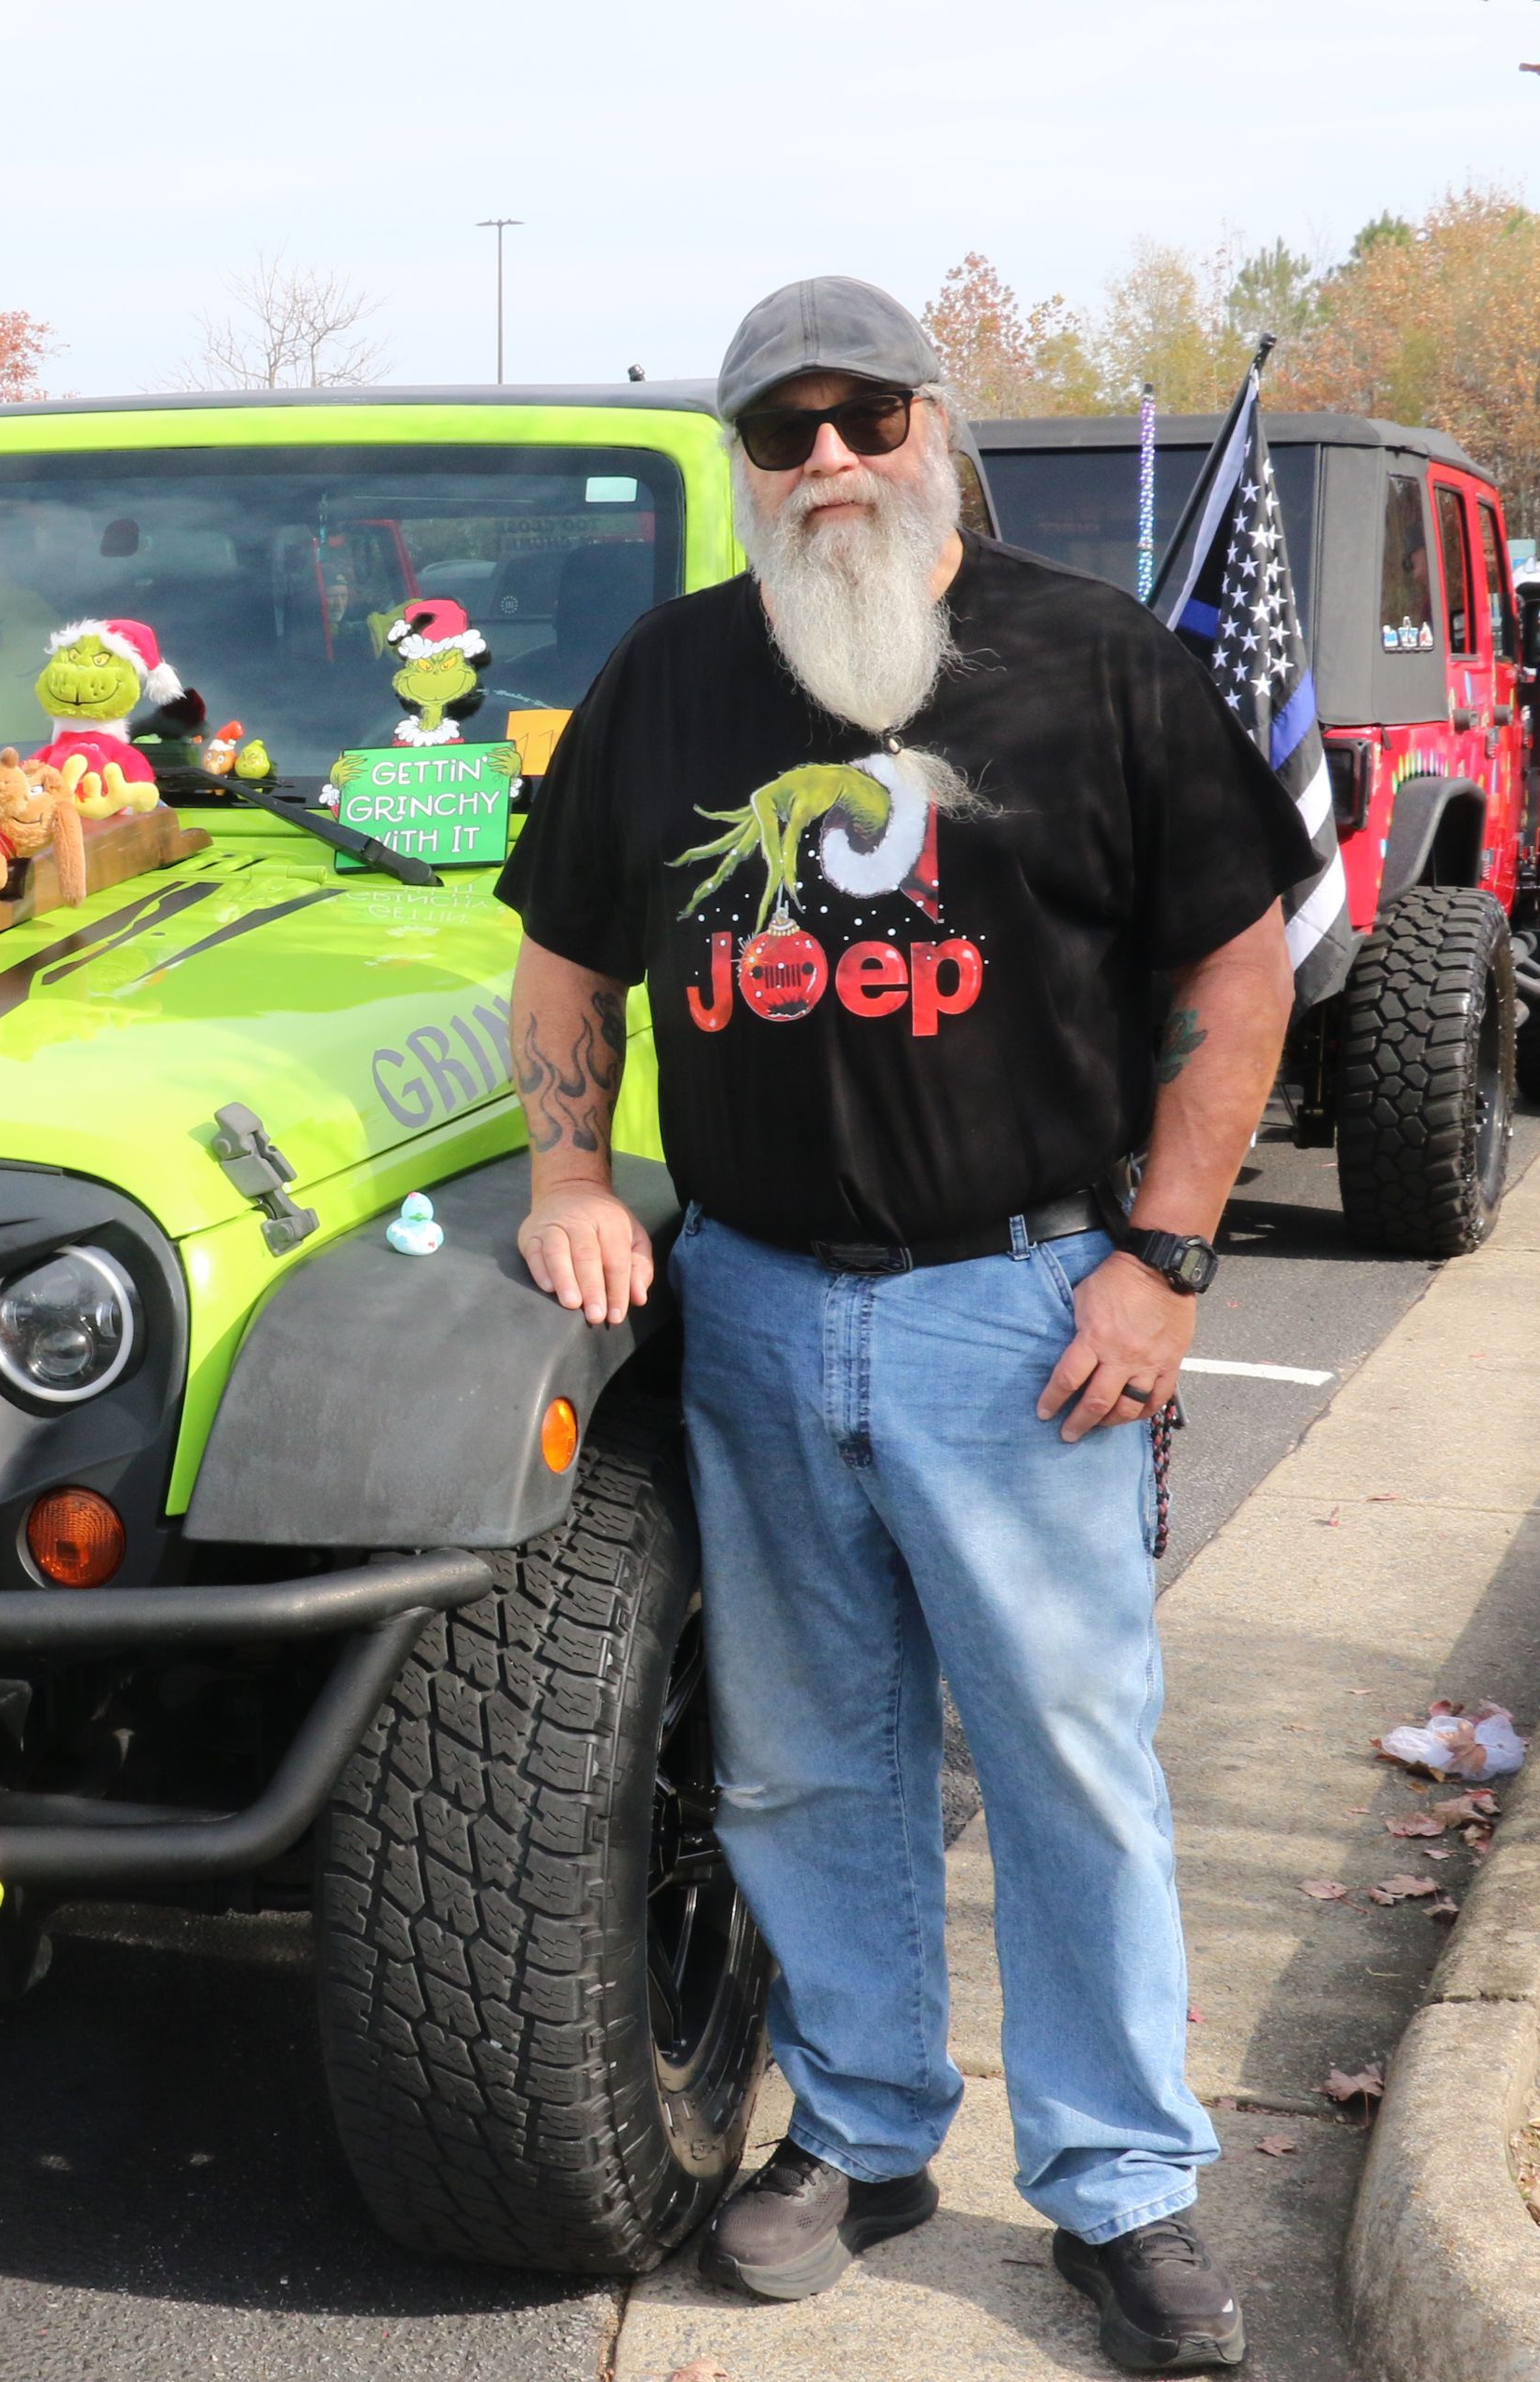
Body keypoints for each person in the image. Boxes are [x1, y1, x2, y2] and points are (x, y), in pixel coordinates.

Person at [496, 274, 1312, 2375]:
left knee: (1067, 1759)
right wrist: (571, 1176)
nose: (827, 460)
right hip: (757, 1308)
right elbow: (563, 959)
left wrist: (1164, 1254)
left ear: (934, 425)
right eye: (783, 430)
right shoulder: (669, 678)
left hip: (1026, 1303)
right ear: (743, 464)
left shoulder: (1093, 662)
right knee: (799, 1760)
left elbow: (1238, 968)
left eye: (864, 415)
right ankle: (859, 2134)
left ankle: (1120, 2184)